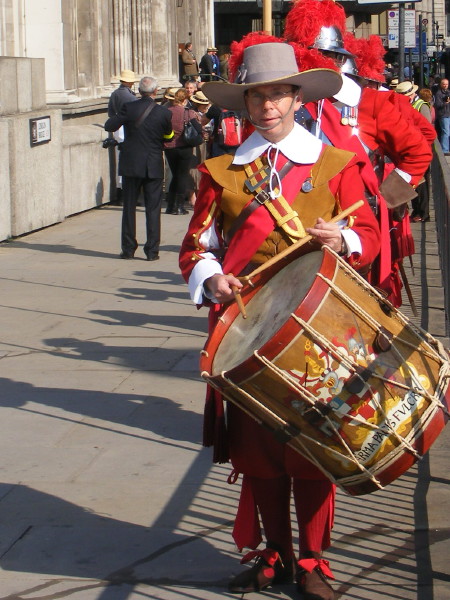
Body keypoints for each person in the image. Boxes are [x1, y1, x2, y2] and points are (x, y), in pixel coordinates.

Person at [179, 41, 380, 600]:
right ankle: (275, 554)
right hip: (246, 334)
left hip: (319, 334)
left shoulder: (336, 165)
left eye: (278, 95)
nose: (268, 106)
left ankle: (313, 562)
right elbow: (198, 248)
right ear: (245, 104)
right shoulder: (221, 172)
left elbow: (372, 238)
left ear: (297, 97)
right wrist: (211, 277)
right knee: (259, 453)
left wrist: (346, 237)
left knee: (313, 450)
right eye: (257, 96)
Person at [104, 76, 174, 260]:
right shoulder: (164, 113)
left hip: (131, 163)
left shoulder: (129, 108)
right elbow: (169, 136)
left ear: (139, 91)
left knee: (129, 208)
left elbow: (109, 125)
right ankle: (152, 251)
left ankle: (128, 248)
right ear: (155, 91)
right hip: (152, 164)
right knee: (153, 209)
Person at [164, 88, 202, 215]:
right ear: (184, 100)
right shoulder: (188, 113)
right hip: (184, 147)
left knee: (175, 175)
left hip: (169, 147)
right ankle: (179, 206)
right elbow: (198, 128)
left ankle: (170, 205)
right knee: (182, 175)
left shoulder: (166, 111)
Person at [107, 69, 138, 204]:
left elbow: (110, 112)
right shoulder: (129, 97)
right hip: (126, 127)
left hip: (118, 125)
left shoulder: (115, 94)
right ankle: (125, 193)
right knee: (128, 160)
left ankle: (122, 192)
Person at [434, 78, 450, 154]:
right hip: (443, 115)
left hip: (448, 114)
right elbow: (437, 105)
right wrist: (445, 103)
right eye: (444, 84)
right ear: (441, 84)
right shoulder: (439, 94)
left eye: (446, 84)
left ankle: (447, 148)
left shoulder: (448, 92)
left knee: (447, 132)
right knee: (446, 132)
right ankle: (444, 149)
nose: (445, 86)